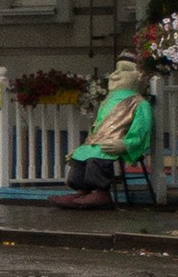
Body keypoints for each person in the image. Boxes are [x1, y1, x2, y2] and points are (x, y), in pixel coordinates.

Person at [57, 51, 154, 210]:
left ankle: (102, 193)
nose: (115, 74)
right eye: (116, 69)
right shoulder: (106, 102)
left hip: (115, 142)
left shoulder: (139, 103)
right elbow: (98, 126)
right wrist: (85, 145)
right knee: (80, 157)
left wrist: (126, 144)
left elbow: (142, 130)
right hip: (98, 141)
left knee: (97, 158)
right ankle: (82, 191)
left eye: (124, 69)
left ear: (139, 76)